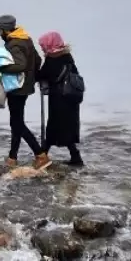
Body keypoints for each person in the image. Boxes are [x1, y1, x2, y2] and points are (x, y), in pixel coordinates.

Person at [0, 14, 50, 169]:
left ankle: (40, 155)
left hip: (16, 88)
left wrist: (2, 67)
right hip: (25, 87)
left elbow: (20, 65)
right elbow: (38, 60)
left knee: (17, 123)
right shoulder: (25, 38)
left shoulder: (14, 44)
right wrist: (31, 77)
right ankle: (12, 157)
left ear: (3, 30)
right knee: (16, 121)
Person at [37, 31, 84, 166]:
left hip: (59, 99)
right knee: (66, 127)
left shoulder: (52, 58)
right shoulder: (67, 56)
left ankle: (42, 154)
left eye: (43, 46)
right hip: (71, 98)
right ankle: (74, 156)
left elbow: (42, 75)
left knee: (54, 126)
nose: (42, 48)